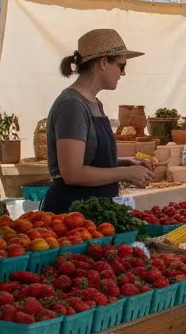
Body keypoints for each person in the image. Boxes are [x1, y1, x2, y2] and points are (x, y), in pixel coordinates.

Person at [41, 29, 153, 214]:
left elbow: (89, 160)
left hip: (93, 208)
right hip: (71, 213)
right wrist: (125, 174)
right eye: (121, 66)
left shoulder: (95, 103)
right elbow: (72, 173)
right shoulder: (72, 105)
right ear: (103, 63)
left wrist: (124, 163)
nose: (123, 73)